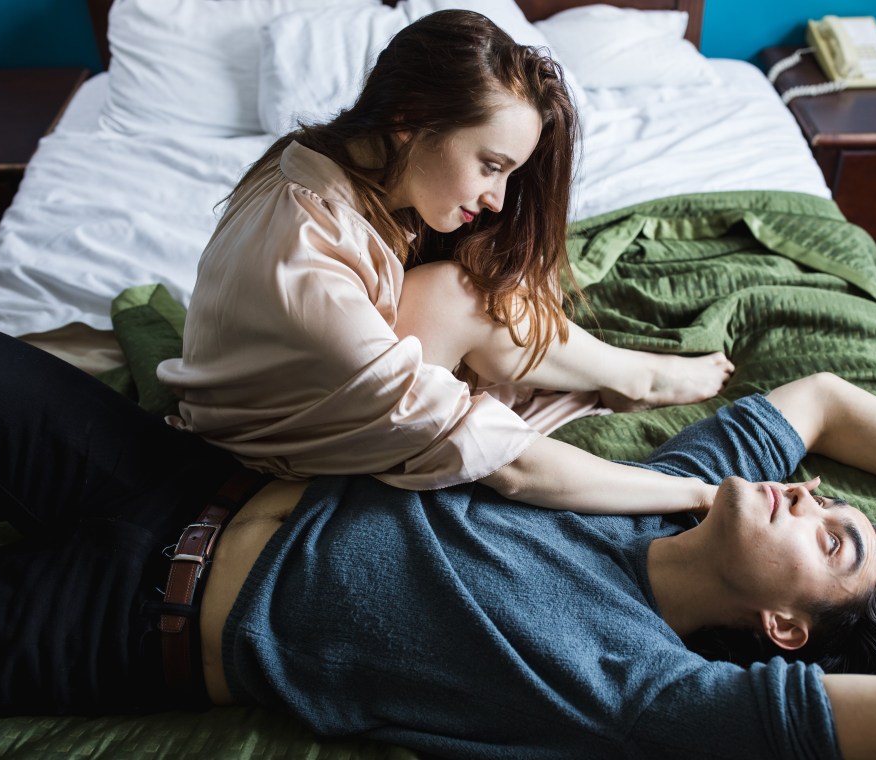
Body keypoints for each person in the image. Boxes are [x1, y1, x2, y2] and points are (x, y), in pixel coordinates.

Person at [0, 307, 876, 759]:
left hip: (126, 619)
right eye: (832, 502)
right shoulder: (676, 486)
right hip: (167, 470)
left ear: (783, 627)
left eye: (834, 543)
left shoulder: (646, 685)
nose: (814, 499)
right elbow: (826, 395)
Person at [154, 9, 734, 514]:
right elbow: (512, 466)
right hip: (248, 461)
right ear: (409, 121)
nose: (498, 199)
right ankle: (637, 375)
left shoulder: (319, 163)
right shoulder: (310, 264)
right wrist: (696, 493)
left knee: (475, 288)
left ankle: (629, 374)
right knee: (461, 295)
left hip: (277, 392)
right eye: (490, 165)